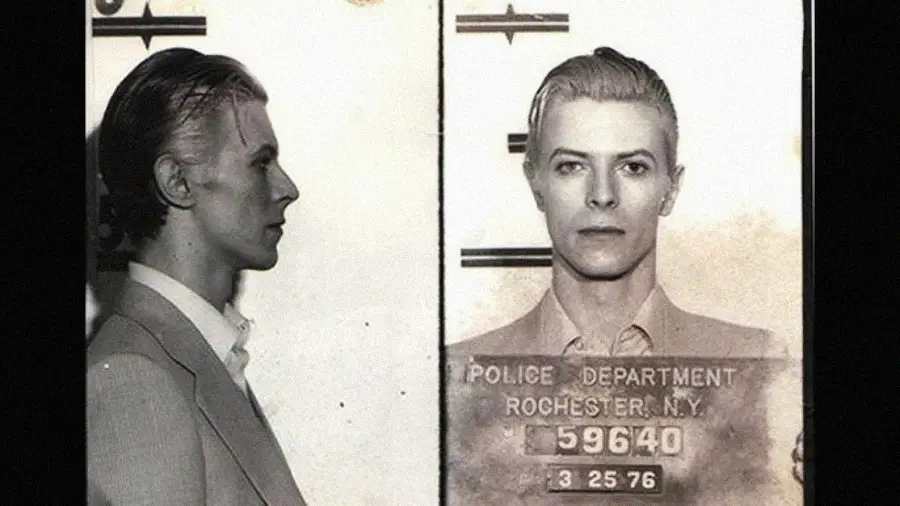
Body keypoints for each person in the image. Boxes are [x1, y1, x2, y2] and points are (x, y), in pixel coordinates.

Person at [449, 47, 773, 358]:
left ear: (671, 189)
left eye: (633, 167)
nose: (602, 195)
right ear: (536, 185)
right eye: (571, 166)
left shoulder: (757, 360)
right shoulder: (460, 372)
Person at [86, 48, 305, 505]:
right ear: (178, 182)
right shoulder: (134, 381)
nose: (287, 189)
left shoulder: (196, 355)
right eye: (261, 163)